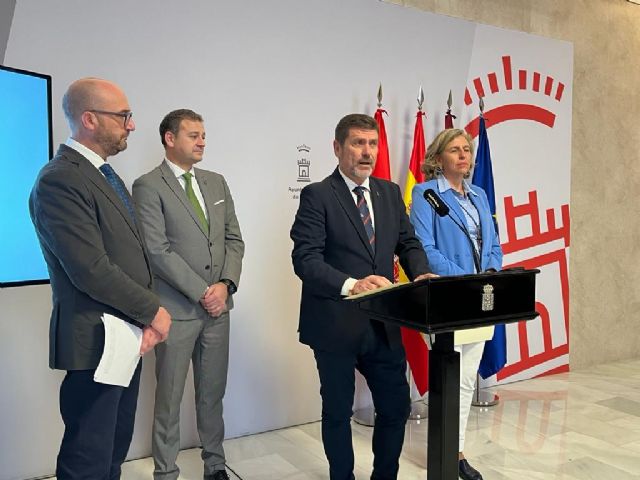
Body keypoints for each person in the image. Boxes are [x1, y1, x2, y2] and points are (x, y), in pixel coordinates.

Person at [29, 77, 172, 479]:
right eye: (123, 115)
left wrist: (143, 319)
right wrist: (154, 311)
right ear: (89, 119)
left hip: (123, 337)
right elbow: (90, 269)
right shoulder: (60, 179)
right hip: (95, 341)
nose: (131, 125)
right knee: (87, 458)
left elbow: (130, 258)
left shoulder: (102, 175)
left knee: (112, 451)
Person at [290, 113, 434, 480]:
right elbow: (305, 260)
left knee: (396, 407)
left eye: (372, 144)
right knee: (338, 411)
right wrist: (352, 284)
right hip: (335, 322)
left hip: (384, 323)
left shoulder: (387, 192)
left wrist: (421, 273)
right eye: (357, 143)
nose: (366, 152)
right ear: (337, 148)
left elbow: (408, 242)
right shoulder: (318, 195)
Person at [132, 109, 244, 480]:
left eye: (204, 135)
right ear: (169, 138)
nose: (202, 142)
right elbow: (157, 250)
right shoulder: (148, 185)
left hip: (218, 310)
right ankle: (166, 472)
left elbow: (234, 240)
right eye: (193, 135)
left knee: (212, 395)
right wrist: (202, 292)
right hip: (176, 311)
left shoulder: (216, 182)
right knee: (169, 399)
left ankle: (215, 466)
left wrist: (225, 286)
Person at [410, 128, 503, 480]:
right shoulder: (426, 194)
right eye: (454, 150)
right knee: (449, 378)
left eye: (467, 149)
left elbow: (494, 243)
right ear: (438, 158)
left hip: (482, 298)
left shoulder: (479, 194)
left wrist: (489, 274)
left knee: (466, 380)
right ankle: (447, 450)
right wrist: (465, 281)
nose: (463, 156)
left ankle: (457, 450)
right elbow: (425, 249)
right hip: (450, 296)